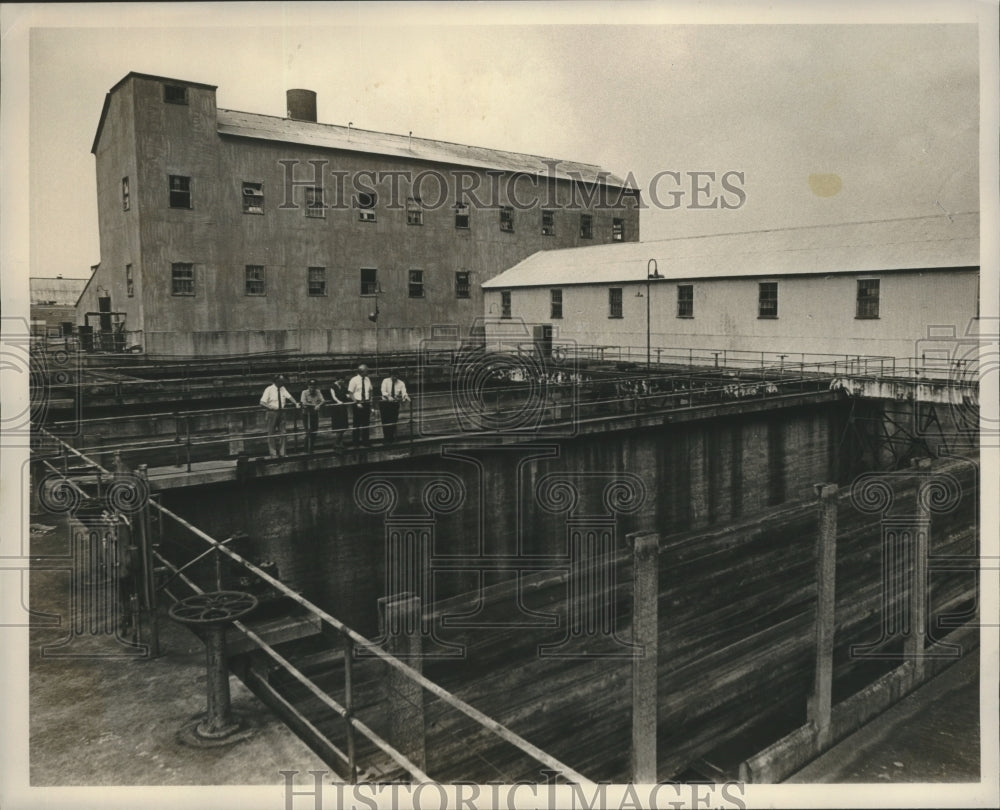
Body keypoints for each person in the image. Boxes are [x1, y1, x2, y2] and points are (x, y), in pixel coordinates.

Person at [259, 374, 299, 457]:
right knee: (271, 433)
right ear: (276, 381)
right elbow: (262, 402)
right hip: (272, 413)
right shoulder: (269, 389)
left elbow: (289, 396)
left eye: (283, 380)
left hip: (282, 412)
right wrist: (271, 407)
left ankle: (283, 453)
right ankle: (273, 454)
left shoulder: (282, 388)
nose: (283, 382)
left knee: (283, 433)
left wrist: (296, 403)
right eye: (281, 381)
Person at [378, 370, 410, 443]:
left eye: (396, 376)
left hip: (394, 404)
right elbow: (383, 391)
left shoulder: (401, 383)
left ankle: (391, 438)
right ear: (390, 375)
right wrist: (388, 397)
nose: (394, 377)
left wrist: (405, 396)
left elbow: (404, 392)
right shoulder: (385, 381)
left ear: (398, 376)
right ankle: (386, 438)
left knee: (393, 421)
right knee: (385, 421)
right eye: (393, 376)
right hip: (385, 403)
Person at [347, 364, 374, 445]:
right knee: (357, 424)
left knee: (366, 423)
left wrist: (370, 402)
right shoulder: (353, 380)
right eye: (366, 371)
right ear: (361, 372)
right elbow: (351, 393)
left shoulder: (367, 379)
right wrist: (357, 402)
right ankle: (355, 443)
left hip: (366, 403)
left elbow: (370, 390)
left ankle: (366, 442)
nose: (368, 372)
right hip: (357, 403)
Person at [300, 379, 326, 453]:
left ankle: (311, 448)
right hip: (306, 415)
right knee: (308, 432)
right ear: (308, 386)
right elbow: (304, 403)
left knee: (315, 432)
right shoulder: (304, 392)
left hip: (314, 414)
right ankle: (306, 449)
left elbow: (323, 400)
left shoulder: (318, 391)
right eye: (311, 387)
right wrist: (314, 405)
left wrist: (319, 405)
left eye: (314, 387)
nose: (312, 388)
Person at [328, 377, 350, 448]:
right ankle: (337, 443)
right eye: (342, 380)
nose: (343, 381)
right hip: (336, 408)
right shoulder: (332, 387)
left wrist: (349, 396)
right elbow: (333, 396)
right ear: (338, 379)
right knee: (338, 425)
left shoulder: (343, 386)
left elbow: (346, 394)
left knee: (344, 425)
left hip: (343, 407)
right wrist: (338, 401)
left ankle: (339, 442)